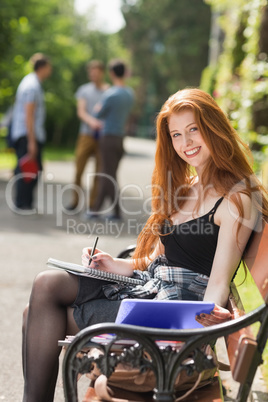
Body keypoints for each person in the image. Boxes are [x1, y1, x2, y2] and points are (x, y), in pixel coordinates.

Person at [22, 88, 268, 401]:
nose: (186, 143)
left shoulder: (236, 200)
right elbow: (154, 260)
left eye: (194, 130)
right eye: (176, 135)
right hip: (147, 290)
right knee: (44, 292)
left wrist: (204, 330)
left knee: (40, 304)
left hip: (170, 315)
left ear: (213, 128)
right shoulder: (187, 187)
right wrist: (112, 264)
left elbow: (219, 280)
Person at [87, 59, 134, 220]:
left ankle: (106, 211)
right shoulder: (129, 93)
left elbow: (97, 113)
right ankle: (99, 209)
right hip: (120, 138)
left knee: (107, 175)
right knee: (109, 173)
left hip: (107, 138)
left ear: (112, 73)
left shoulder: (111, 94)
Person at [11, 53, 52, 210]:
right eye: (49, 68)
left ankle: (25, 203)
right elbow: (29, 114)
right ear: (42, 67)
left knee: (31, 169)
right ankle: (22, 204)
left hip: (28, 133)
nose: (50, 71)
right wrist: (32, 141)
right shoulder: (32, 85)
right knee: (29, 170)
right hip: (28, 134)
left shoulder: (31, 82)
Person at [67, 60, 109, 211]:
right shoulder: (84, 90)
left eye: (96, 71)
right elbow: (81, 111)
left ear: (102, 73)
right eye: (91, 72)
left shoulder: (109, 91)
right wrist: (92, 122)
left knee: (99, 171)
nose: (94, 74)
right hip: (86, 135)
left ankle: (93, 205)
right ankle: (75, 201)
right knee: (78, 169)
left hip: (103, 137)